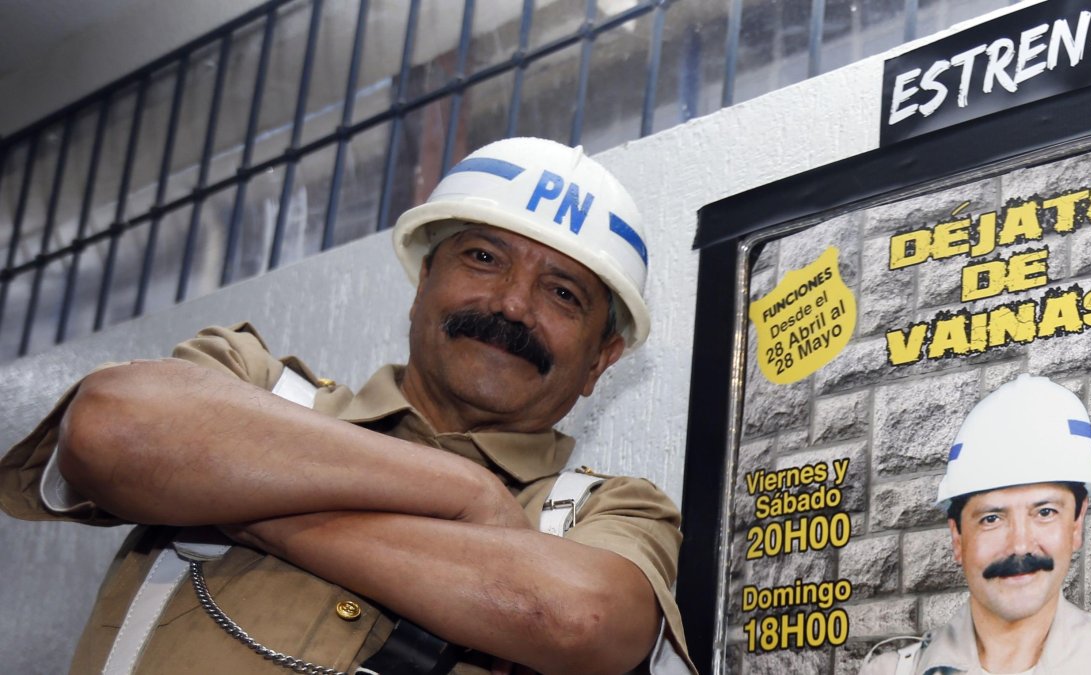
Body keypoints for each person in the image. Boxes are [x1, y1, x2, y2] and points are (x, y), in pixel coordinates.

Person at [0, 137, 694, 674]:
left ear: (601, 360)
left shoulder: (609, 513)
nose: (512, 303)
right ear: (424, 279)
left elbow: (579, 616)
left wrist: (230, 499)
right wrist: (462, 491)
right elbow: (111, 426)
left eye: (563, 294)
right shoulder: (252, 382)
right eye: (483, 258)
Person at [860, 374, 1091, 675]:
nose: (1020, 545)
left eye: (1045, 512)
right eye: (992, 518)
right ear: (957, 537)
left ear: (1076, 524)